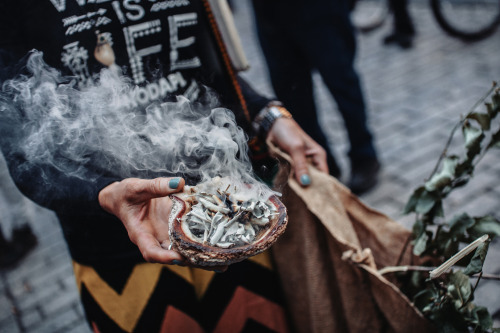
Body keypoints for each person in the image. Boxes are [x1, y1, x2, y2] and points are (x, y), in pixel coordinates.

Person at [0, 1, 328, 331]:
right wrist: (103, 193)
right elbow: (24, 153)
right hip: (121, 257)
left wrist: (266, 113)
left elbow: (203, 62)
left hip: (230, 225)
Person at [251, 0, 381, 195]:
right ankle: (323, 164)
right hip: (270, 11)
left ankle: (364, 155)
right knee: (292, 95)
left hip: (319, 7)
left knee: (342, 80)